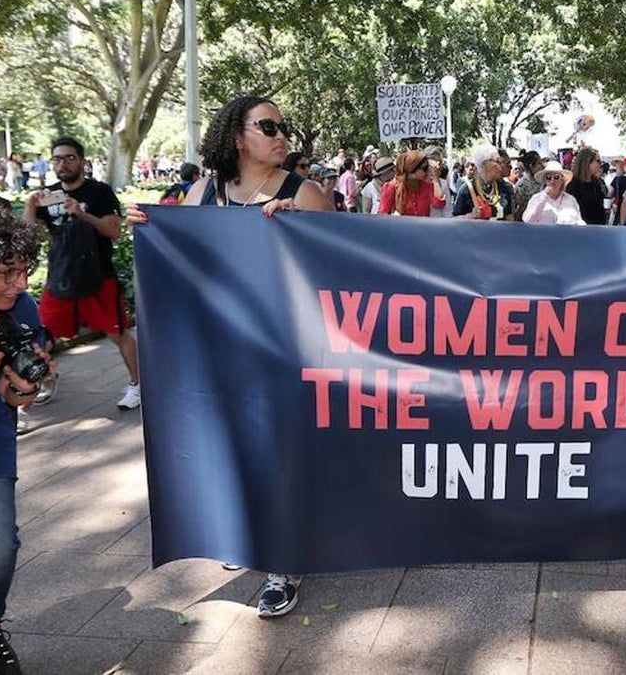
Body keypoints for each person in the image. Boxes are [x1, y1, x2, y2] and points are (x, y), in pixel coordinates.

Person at [128, 95, 332, 620]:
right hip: (222, 351)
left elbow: (339, 267)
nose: (281, 135)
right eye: (268, 126)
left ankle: (283, 562)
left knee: (279, 453)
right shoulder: (204, 192)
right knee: (236, 450)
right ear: (237, 137)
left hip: (286, 350)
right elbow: (186, 260)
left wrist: (302, 230)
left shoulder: (304, 193)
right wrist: (151, 229)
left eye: (284, 127)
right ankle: (244, 536)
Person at [0, 203, 51, 674]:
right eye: (7, 273)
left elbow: (22, 387)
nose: (20, 285)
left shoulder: (21, 309)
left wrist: (22, 391)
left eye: (24, 271)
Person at [24, 137, 141, 410]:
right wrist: (30, 206)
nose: (62, 163)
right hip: (61, 278)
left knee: (118, 333)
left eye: (69, 158)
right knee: (41, 334)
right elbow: (27, 237)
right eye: (57, 158)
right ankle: (47, 377)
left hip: (98, 277)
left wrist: (81, 214)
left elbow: (113, 231)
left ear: (82, 161)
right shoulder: (47, 195)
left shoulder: (99, 192)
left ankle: (137, 385)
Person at [453, 143, 515, 220]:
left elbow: (510, 218)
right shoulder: (467, 190)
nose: (500, 166)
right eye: (497, 161)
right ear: (485, 163)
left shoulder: (505, 189)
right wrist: (470, 216)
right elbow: (455, 219)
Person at [379, 151, 446, 217]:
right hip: (400, 227)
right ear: (411, 169)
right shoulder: (392, 186)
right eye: (424, 168)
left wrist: (435, 179)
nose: (428, 170)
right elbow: (383, 215)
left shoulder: (427, 186)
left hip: (422, 227)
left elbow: (439, 203)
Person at [566, 147, 609, 225]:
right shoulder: (573, 185)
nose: (600, 165)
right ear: (587, 162)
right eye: (598, 161)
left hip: (598, 228)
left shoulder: (596, 183)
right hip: (581, 229)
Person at [511, 151, 544, 221]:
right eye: (539, 163)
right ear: (531, 166)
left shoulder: (544, 181)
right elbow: (518, 210)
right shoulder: (522, 186)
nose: (543, 166)